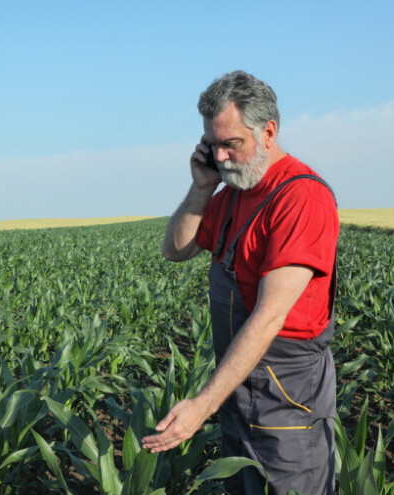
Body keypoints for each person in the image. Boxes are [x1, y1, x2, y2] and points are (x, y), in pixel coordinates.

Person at [141, 70, 339, 494]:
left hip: (287, 394)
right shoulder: (231, 192)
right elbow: (176, 250)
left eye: (232, 144)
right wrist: (200, 189)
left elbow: (270, 316)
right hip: (238, 379)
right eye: (214, 146)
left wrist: (202, 406)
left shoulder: (300, 197)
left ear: (268, 132)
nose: (223, 157)